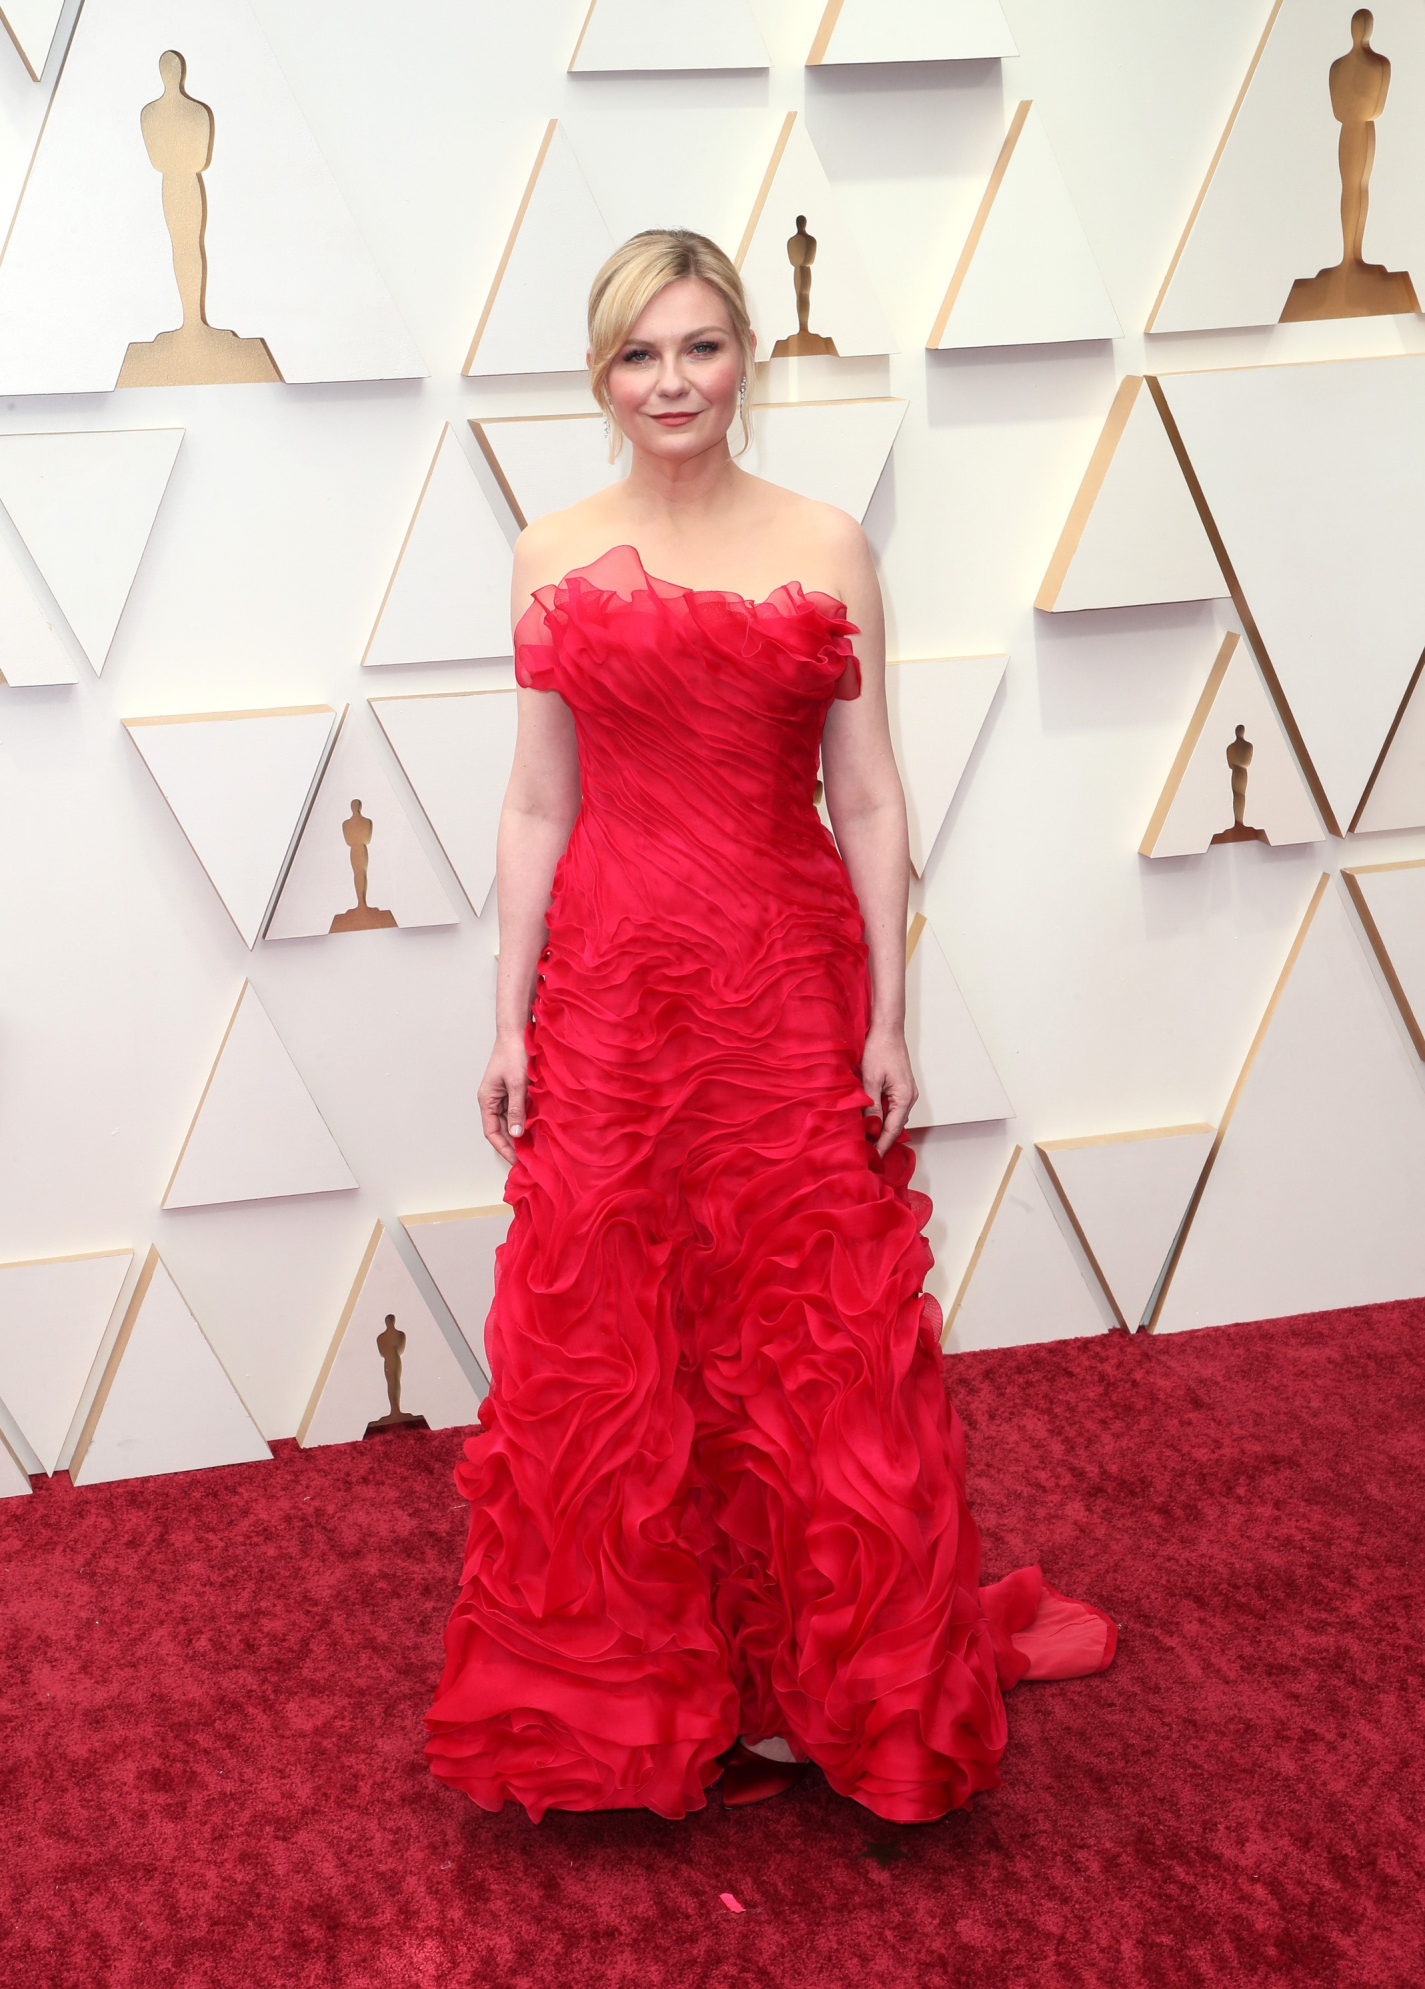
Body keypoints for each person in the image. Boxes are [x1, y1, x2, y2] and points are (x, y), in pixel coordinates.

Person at [423, 229, 1115, 1825]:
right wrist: (511, 1013)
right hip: (611, 985)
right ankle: (643, 1691)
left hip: (783, 980)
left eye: (699, 349)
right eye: (636, 356)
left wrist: (885, 1006)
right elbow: (536, 801)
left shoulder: (823, 541)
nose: (671, 384)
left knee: (807, 1338)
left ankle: (824, 1679)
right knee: (616, 1343)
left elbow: (865, 792)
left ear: (747, 358)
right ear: (599, 377)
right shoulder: (548, 549)